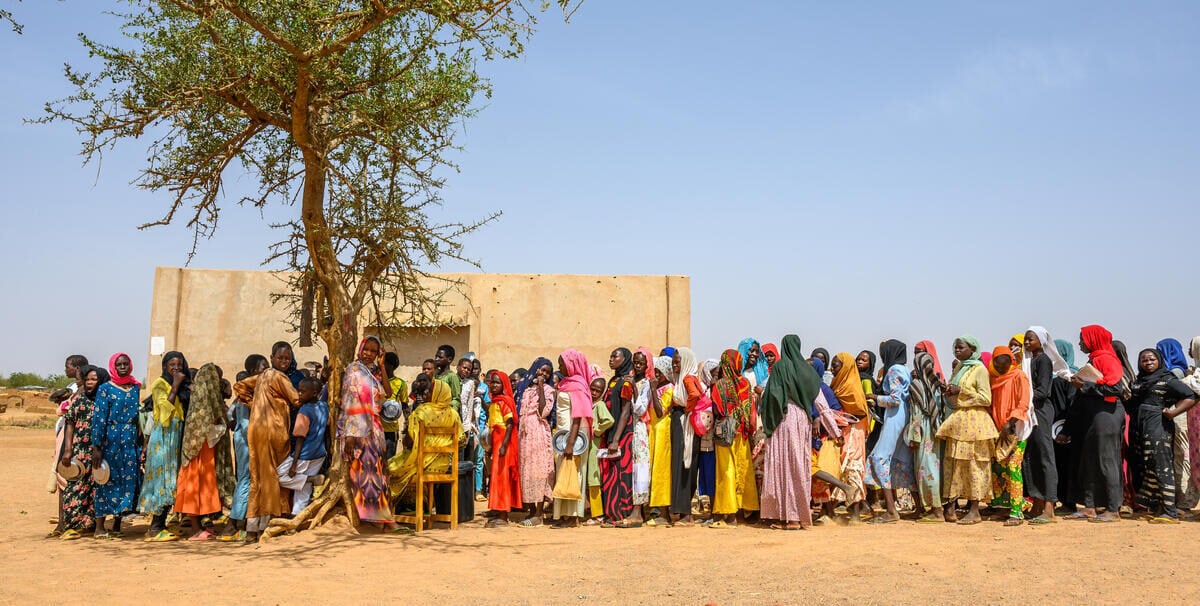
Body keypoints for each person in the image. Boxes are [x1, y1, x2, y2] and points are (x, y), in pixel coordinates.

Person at [760, 335, 839, 530]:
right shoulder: (807, 371)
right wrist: (835, 431)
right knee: (798, 467)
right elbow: (821, 404)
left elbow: (771, 396)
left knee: (781, 466)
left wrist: (767, 421)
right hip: (802, 420)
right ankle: (798, 517)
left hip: (783, 419)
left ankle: (785, 517)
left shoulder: (779, 368)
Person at [232, 343, 300, 541]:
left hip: (256, 430)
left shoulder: (262, 376)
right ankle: (267, 524)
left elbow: (240, 386)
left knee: (257, 478)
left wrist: (255, 405)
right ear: (272, 358)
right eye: (280, 358)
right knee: (272, 476)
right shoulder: (278, 376)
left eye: (287, 358)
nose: (284, 362)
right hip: (273, 431)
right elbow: (296, 399)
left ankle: (252, 527)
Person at [1060, 325, 1126, 523]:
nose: (1080, 343)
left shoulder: (1107, 359)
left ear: (1093, 339)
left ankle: (1113, 508)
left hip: (1106, 415)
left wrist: (1085, 385)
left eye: (1082, 339)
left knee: (1107, 460)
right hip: (1093, 415)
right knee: (1089, 461)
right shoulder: (1095, 359)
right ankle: (1089, 506)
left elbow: (1115, 387)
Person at [935, 336, 996, 525]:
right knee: (954, 464)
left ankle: (975, 510)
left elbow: (985, 398)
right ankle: (951, 507)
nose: (957, 350)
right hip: (958, 421)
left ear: (973, 349)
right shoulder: (959, 368)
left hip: (975, 423)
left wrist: (961, 391)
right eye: (955, 347)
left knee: (974, 465)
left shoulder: (979, 370)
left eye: (961, 347)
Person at [1130, 349, 1196, 523]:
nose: (1148, 362)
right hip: (1142, 428)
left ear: (1159, 360)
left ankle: (1170, 512)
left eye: (1152, 359)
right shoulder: (1139, 381)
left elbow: (1191, 396)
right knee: (1150, 466)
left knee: (1162, 466)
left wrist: (1173, 412)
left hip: (1158, 427)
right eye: (1144, 360)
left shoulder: (1167, 379)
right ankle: (1160, 507)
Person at [339, 336, 394, 529]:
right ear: (360, 349)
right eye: (366, 350)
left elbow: (388, 392)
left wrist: (382, 366)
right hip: (358, 431)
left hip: (374, 431)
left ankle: (382, 520)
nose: (369, 354)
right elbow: (351, 403)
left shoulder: (373, 373)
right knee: (366, 476)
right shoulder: (354, 371)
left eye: (373, 351)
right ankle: (375, 520)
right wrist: (351, 435)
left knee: (380, 475)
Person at [174, 363, 230, 540]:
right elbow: (208, 426)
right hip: (196, 454)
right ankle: (195, 530)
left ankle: (201, 526)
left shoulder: (202, 399)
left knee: (203, 488)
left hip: (203, 453)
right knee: (194, 489)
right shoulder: (203, 402)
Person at [864, 339, 916, 524]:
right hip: (904, 415)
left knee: (879, 457)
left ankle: (892, 510)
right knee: (901, 459)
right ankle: (917, 506)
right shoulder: (904, 369)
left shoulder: (893, 370)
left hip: (895, 416)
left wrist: (874, 397)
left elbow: (894, 399)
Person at [388, 380, 464, 507]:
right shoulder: (454, 414)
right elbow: (461, 440)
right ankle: (418, 506)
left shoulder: (421, 411)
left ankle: (397, 510)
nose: (427, 394)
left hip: (422, 465)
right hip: (442, 466)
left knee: (388, 469)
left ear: (436, 393)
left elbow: (409, 443)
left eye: (430, 391)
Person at [91, 353, 141, 539]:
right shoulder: (105, 389)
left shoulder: (135, 388)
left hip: (129, 441)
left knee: (126, 481)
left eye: (126, 364)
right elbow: (99, 419)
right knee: (107, 480)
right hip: (110, 441)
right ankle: (99, 527)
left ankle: (118, 524)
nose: (123, 367)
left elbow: (138, 418)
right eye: (119, 364)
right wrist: (96, 446)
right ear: (113, 366)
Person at [139, 352, 188, 542]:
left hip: (175, 436)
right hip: (163, 437)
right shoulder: (160, 384)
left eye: (179, 365)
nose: (176, 368)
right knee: (162, 480)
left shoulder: (184, 386)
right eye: (172, 365)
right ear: (165, 366)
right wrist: (175, 386)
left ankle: (161, 524)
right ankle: (155, 528)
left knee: (171, 481)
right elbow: (165, 411)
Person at [710, 348, 759, 528]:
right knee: (743, 469)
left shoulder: (719, 385)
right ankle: (747, 509)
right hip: (743, 433)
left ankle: (729, 515)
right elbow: (751, 412)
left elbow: (717, 410)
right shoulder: (745, 383)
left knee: (726, 471)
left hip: (725, 433)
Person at [220, 354, 267, 542]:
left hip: (244, 437)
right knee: (247, 479)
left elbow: (231, 416)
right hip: (248, 439)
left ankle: (241, 523)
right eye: (264, 367)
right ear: (253, 370)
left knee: (248, 479)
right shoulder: (249, 390)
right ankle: (233, 524)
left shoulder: (248, 389)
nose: (266, 370)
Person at [1023, 327, 1067, 523]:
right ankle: (1037, 503)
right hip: (1029, 410)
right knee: (1031, 457)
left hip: (1039, 410)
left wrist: (1024, 398)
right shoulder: (1027, 362)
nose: (1026, 342)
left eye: (1030, 339)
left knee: (1044, 456)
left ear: (1041, 341)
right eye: (1025, 339)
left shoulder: (1043, 361)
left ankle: (1049, 506)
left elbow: (1043, 390)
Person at [59, 365, 106, 540]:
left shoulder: (103, 400)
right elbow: (70, 423)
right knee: (75, 486)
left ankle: (90, 525)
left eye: (94, 379)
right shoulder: (79, 400)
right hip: (79, 449)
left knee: (96, 486)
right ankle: (72, 525)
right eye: (87, 379)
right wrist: (68, 449)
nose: (90, 383)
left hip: (98, 450)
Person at [550, 349, 595, 528]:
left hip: (573, 436)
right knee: (564, 472)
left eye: (562, 363)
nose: (559, 366)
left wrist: (570, 443)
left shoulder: (577, 385)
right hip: (563, 435)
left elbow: (578, 416)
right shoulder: (565, 383)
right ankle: (563, 514)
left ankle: (573, 516)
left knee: (574, 473)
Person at [987, 347, 1031, 526]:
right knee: (998, 469)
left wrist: (1010, 422)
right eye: (997, 362)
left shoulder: (1019, 376)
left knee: (1013, 467)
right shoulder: (994, 378)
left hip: (1017, 430)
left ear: (1011, 360)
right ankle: (1002, 507)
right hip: (999, 430)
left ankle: (1016, 511)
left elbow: (1023, 402)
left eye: (1004, 361)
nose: (1000, 365)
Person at [830, 351, 870, 523]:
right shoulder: (837, 384)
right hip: (843, 431)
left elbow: (860, 412)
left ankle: (855, 513)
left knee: (852, 467)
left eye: (836, 365)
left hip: (853, 432)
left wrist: (841, 418)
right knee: (841, 469)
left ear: (845, 367)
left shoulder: (851, 387)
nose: (832, 369)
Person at [908, 351, 947, 522]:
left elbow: (916, 413)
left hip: (923, 431)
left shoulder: (916, 384)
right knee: (935, 468)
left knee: (926, 470)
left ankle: (936, 511)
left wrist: (914, 436)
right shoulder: (938, 384)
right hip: (936, 428)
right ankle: (936, 507)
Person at [279, 378, 328, 516]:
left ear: (313, 393)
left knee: (277, 476)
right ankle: (297, 515)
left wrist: (294, 463)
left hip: (305, 454)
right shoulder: (324, 406)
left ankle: (311, 479)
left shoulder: (304, 410)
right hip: (319, 453)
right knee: (304, 490)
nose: (299, 394)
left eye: (302, 392)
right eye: (298, 390)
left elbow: (300, 438)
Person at [515, 357, 555, 526]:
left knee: (539, 470)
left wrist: (540, 386)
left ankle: (539, 513)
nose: (544, 374)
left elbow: (543, 411)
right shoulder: (524, 388)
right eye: (542, 370)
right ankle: (531, 511)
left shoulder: (547, 390)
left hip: (538, 431)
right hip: (524, 435)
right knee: (527, 471)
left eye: (547, 372)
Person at [669, 347, 703, 525]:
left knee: (684, 466)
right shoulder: (682, 378)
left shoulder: (687, 378)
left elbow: (695, 395)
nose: (675, 364)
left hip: (685, 425)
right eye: (674, 361)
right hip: (684, 424)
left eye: (677, 361)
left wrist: (686, 410)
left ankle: (685, 513)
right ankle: (684, 511)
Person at [485, 369, 522, 526]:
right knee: (496, 476)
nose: (493, 385)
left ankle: (503, 514)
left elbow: (509, 424)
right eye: (492, 382)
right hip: (496, 440)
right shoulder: (495, 401)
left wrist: (503, 445)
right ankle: (498, 510)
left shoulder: (504, 402)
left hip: (503, 442)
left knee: (502, 477)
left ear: (504, 385)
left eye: (497, 382)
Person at [628, 347, 656, 525]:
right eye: (635, 362)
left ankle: (638, 510)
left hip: (639, 427)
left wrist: (633, 388)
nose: (637, 366)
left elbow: (639, 408)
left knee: (640, 467)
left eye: (641, 363)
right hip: (628, 427)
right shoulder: (630, 379)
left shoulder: (646, 384)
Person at [647, 355, 675, 527]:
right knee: (655, 470)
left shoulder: (668, 389)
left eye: (659, 372)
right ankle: (657, 509)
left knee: (662, 471)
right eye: (655, 372)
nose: (656, 375)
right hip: (654, 431)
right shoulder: (659, 388)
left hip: (663, 430)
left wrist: (652, 390)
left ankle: (665, 513)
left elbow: (659, 412)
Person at [383, 352, 409, 460]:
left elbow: (404, 405)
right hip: (375, 428)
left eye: (384, 364)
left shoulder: (400, 384)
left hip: (390, 428)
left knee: (389, 461)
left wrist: (407, 425)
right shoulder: (375, 381)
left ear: (390, 366)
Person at [433, 345, 462, 411]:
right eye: (436, 356)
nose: (436, 359)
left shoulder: (452, 376)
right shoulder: (435, 374)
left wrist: (451, 413)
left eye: (440, 357)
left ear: (449, 359)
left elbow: (456, 399)